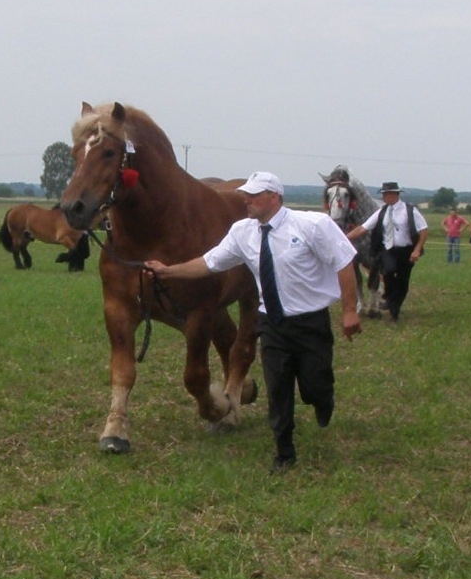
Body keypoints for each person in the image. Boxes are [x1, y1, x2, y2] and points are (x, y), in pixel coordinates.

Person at [144, 171, 361, 474]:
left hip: (310, 321)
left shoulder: (312, 225)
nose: (246, 200)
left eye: (254, 195)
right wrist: (168, 271)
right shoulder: (242, 232)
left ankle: (322, 399)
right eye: (246, 194)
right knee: (278, 388)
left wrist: (349, 311)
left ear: (274, 197)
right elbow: (210, 263)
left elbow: (343, 261)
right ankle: (284, 453)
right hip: (272, 323)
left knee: (315, 384)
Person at [347, 182, 429, 321]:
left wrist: (417, 249)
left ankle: (394, 308)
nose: (383, 197)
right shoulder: (382, 212)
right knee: (388, 271)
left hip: (406, 250)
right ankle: (390, 299)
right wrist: (344, 238)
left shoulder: (410, 210)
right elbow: (363, 228)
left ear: (394, 194)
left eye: (386, 194)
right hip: (388, 250)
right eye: (383, 194)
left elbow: (424, 230)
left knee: (403, 279)